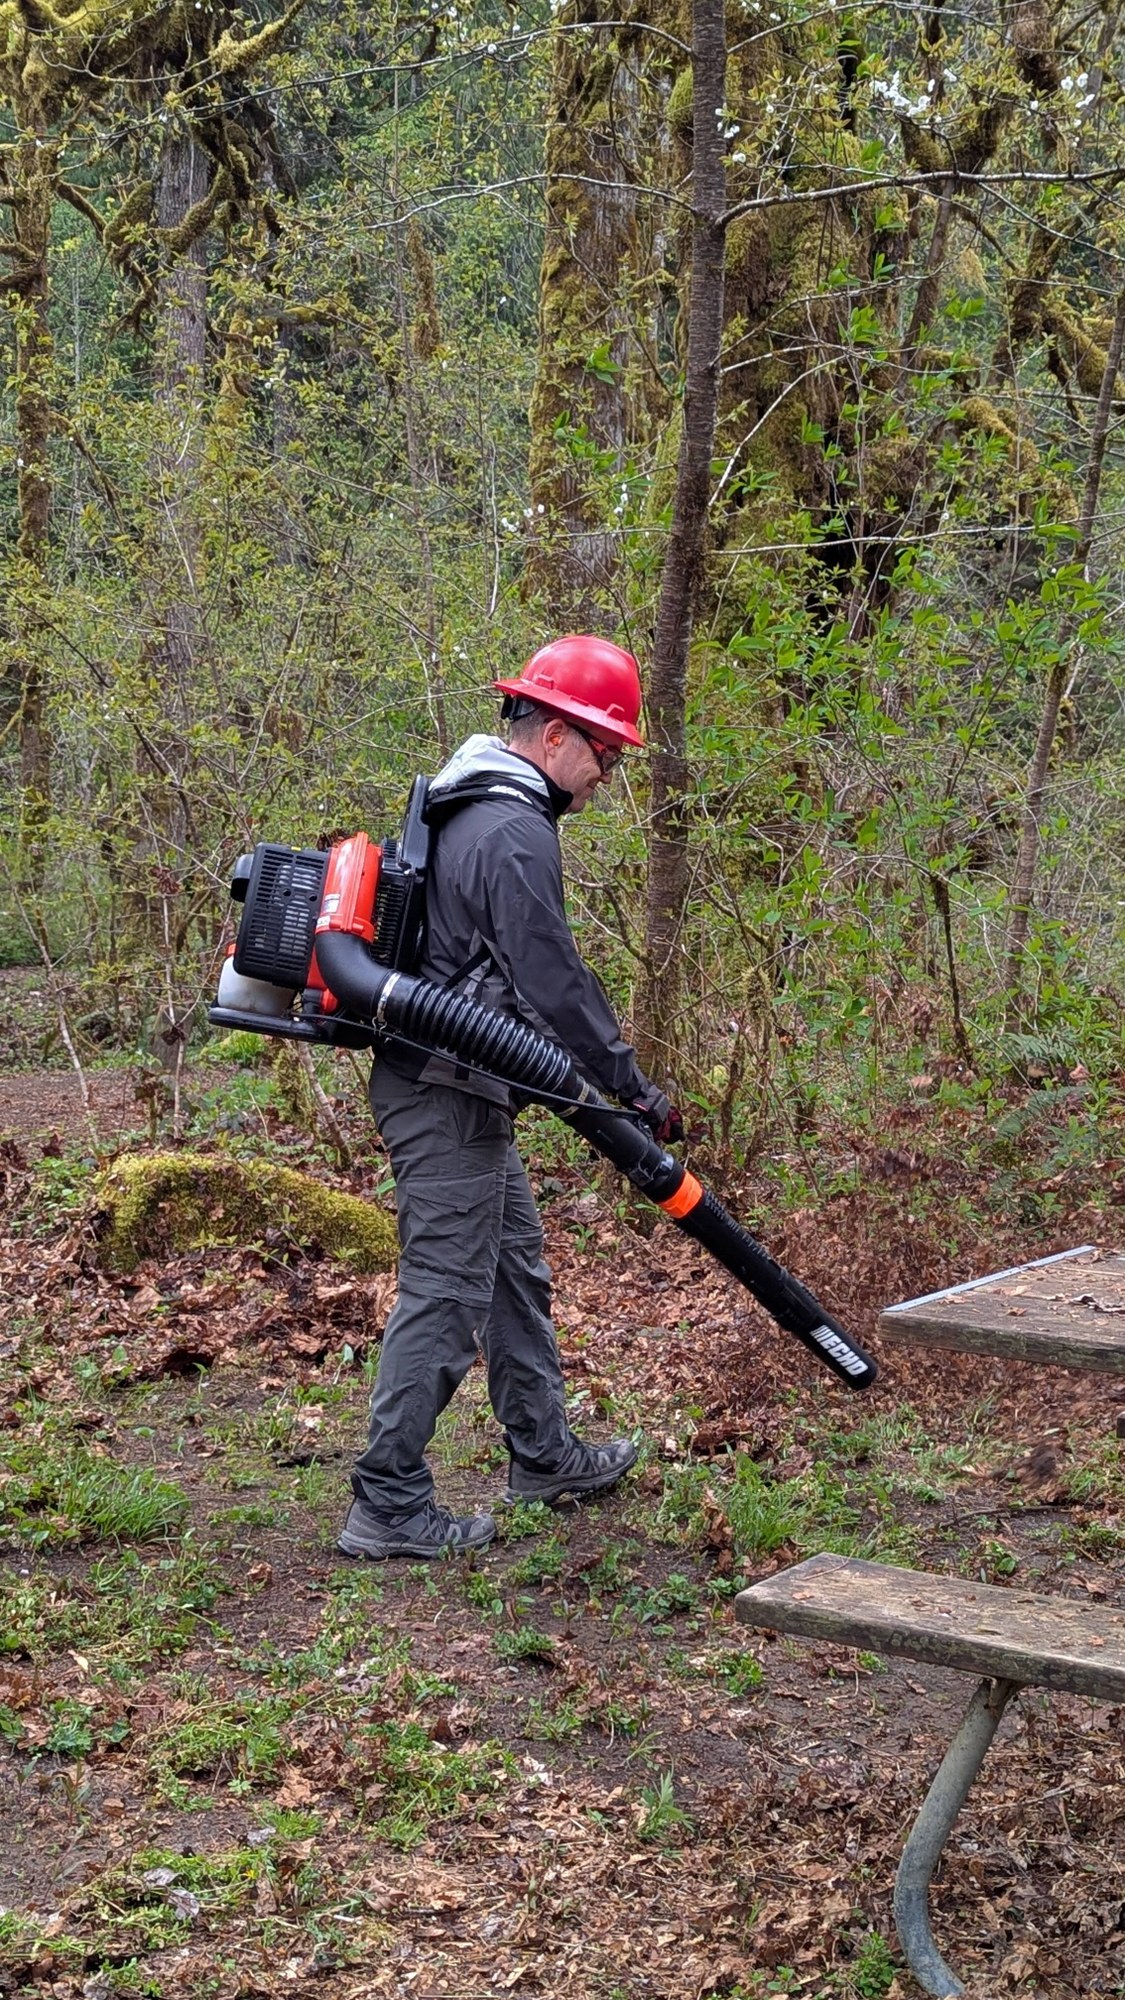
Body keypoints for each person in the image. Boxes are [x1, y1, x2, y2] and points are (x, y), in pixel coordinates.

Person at [338, 635, 682, 1561]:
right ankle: (387, 1498)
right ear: (557, 732)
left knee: (510, 1271)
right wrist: (629, 1089)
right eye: (604, 752)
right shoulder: (511, 826)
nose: (606, 773)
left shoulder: (477, 800)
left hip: (461, 1081)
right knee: (447, 1288)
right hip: (441, 1087)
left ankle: (543, 1453)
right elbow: (553, 982)